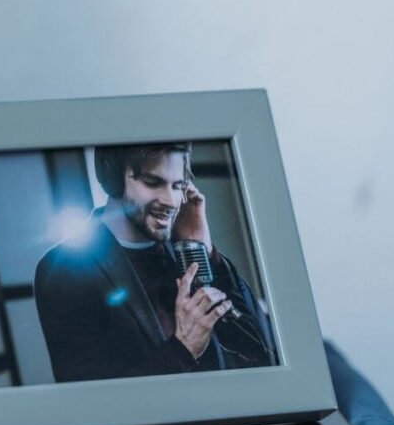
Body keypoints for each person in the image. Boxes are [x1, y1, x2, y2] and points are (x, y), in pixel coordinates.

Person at [34, 142, 277, 383]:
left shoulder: (184, 247)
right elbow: (93, 400)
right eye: (153, 183)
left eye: (178, 185)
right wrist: (183, 350)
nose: (171, 201)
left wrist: (203, 248)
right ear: (112, 178)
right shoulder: (62, 270)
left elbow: (265, 350)